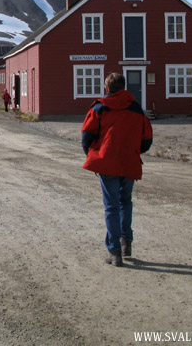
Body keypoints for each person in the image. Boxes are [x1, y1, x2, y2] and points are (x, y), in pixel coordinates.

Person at [81, 72, 153, 267]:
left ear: (107, 88)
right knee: (125, 202)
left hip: (107, 162)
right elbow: (147, 140)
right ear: (124, 87)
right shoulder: (136, 109)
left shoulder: (100, 107)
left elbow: (86, 136)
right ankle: (125, 242)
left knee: (111, 206)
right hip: (129, 161)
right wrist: (134, 150)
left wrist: (94, 154)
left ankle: (114, 252)